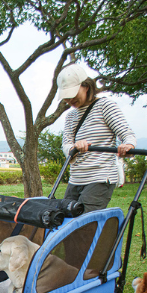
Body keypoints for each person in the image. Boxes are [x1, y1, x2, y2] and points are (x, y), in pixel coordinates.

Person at [58, 63, 136, 213]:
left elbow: (127, 134)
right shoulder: (70, 116)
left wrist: (128, 146)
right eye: (66, 96)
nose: (69, 99)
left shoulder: (104, 106)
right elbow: (66, 146)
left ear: (86, 86)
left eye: (73, 94)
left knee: (83, 225)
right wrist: (75, 147)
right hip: (75, 179)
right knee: (63, 222)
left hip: (100, 177)